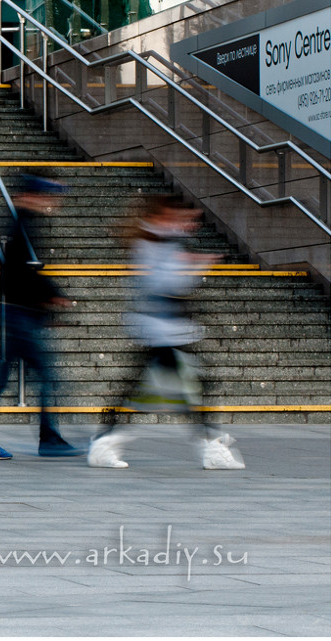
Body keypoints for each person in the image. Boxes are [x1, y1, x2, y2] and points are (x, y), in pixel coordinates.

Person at [87, 195, 245, 470]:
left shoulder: (162, 240)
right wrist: (194, 265)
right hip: (160, 331)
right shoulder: (150, 243)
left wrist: (191, 261)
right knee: (188, 389)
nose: (184, 225)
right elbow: (161, 283)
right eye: (178, 219)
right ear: (163, 217)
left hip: (169, 331)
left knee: (167, 389)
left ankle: (105, 439)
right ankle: (210, 443)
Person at [0, 174, 83, 460]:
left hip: (19, 312)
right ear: (30, 196)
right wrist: (52, 296)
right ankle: (47, 439)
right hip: (20, 314)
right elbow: (22, 273)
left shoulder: (22, 224)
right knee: (43, 375)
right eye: (45, 195)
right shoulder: (23, 225)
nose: (50, 201)